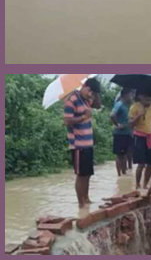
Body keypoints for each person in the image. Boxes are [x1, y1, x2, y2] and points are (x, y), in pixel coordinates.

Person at [63, 77, 101, 208]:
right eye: (89, 91)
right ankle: (80, 204)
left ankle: (86, 198)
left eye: (92, 92)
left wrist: (96, 94)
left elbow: (98, 105)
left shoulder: (86, 100)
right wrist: (84, 117)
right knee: (81, 175)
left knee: (88, 174)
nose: (90, 94)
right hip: (78, 145)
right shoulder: (71, 100)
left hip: (88, 143)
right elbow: (67, 121)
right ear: (84, 86)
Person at [129, 89, 151, 190]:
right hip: (139, 137)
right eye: (147, 99)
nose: (149, 102)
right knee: (141, 163)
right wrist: (139, 115)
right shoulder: (134, 107)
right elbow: (130, 124)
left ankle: (145, 184)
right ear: (141, 97)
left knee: (150, 163)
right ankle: (137, 184)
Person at [110, 89, 134, 177]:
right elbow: (112, 115)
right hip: (120, 134)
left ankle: (124, 174)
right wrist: (117, 124)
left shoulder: (126, 105)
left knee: (125, 155)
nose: (131, 97)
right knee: (120, 155)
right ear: (126, 95)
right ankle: (120, 175)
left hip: (127, 133)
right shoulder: (119, 104)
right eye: (130, 95)